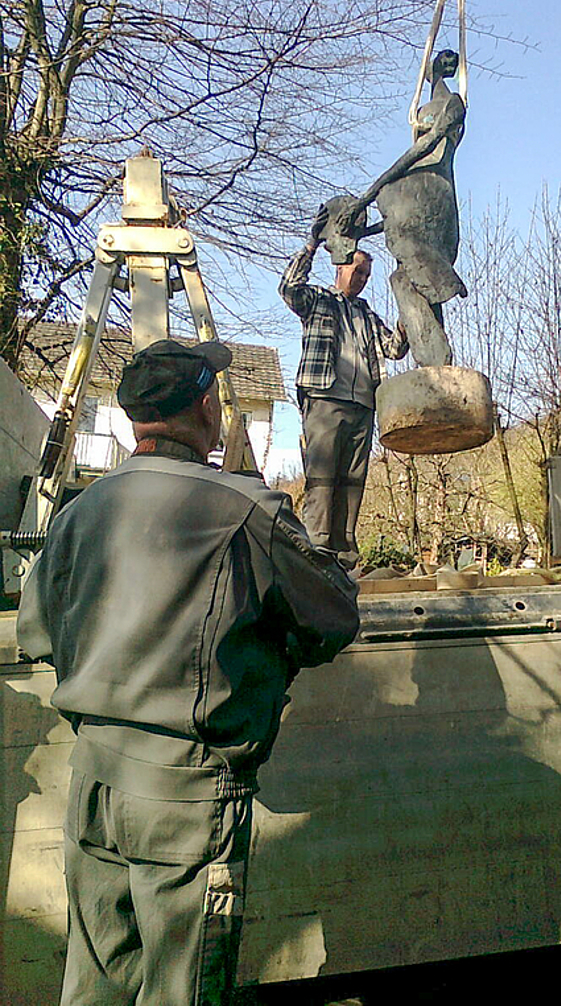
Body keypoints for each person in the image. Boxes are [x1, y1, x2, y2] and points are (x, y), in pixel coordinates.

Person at [16, 338, 359, 1006]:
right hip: (185, 795)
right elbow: (333, 617)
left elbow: (37, 632)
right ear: (207, 408)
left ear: (132, 421)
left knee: (96, 987)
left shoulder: (80, 512)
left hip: (94, 778)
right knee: (182, 992)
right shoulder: (246, 510)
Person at [280, 232, 408, 567]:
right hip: (324, 398)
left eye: (366, 274)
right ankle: (315, 552)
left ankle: (345, 557)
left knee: (352, 481)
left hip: (363, 406)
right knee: (322, 478)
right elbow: (289, 288)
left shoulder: (366, 313)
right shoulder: (319, 300)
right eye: (357, 271)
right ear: (340, 268)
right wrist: (310, 247)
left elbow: (394, 348)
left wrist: (411, 315)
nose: (362, 279)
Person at [337, 48, 467, 367]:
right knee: (409, 280)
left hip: (435, 199)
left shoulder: (454, 104)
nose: (448, 62)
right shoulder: (423, 106)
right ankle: (435, 363)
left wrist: (368, 195)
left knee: (413, 279)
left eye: (452, 59)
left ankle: (436, 361)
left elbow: (427, 144)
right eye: (441, 59)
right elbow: (397, 216)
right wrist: (363, 228)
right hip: (413, 201)